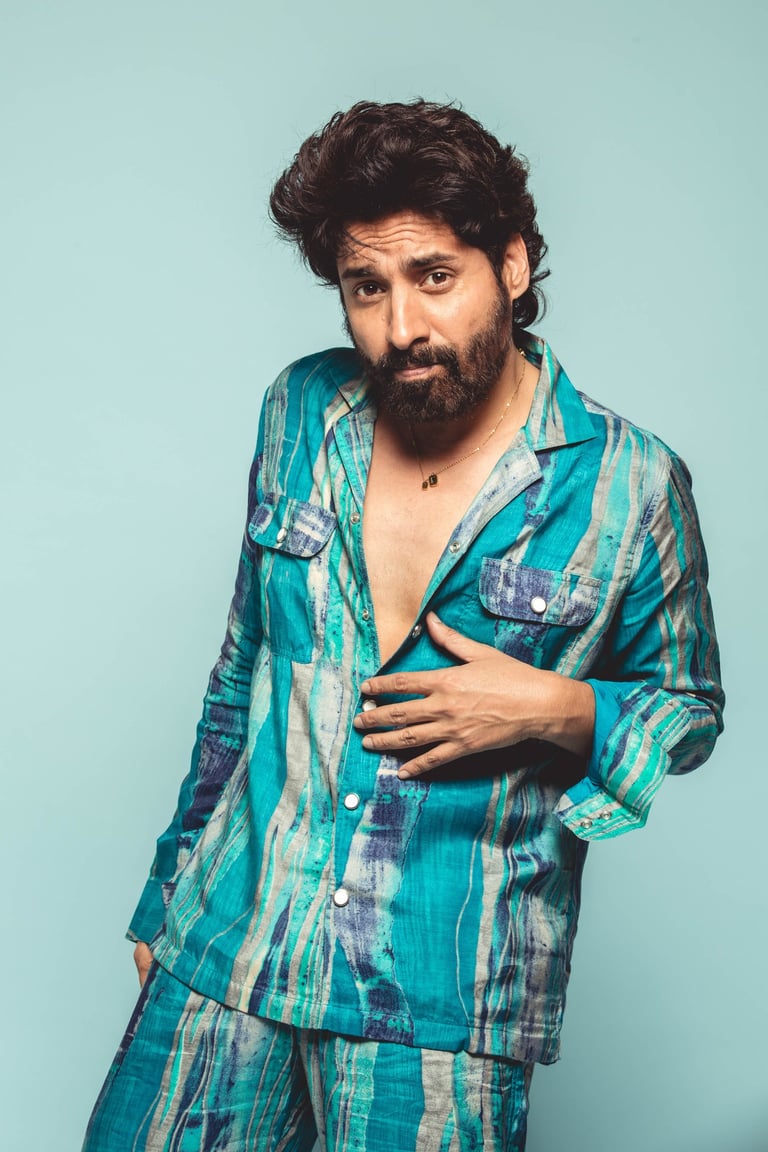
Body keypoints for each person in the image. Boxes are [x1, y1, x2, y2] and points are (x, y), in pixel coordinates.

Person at [83, 100, 724, 1152]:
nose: (401, 328)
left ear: (511, 263)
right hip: (231, 940)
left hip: (438, 994)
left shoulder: (630, 485)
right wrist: (166, 898)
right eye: (366, 287)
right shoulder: (301, 411)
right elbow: (242, 671)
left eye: (434, 276)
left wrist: (557, 709)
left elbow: (687, 706)